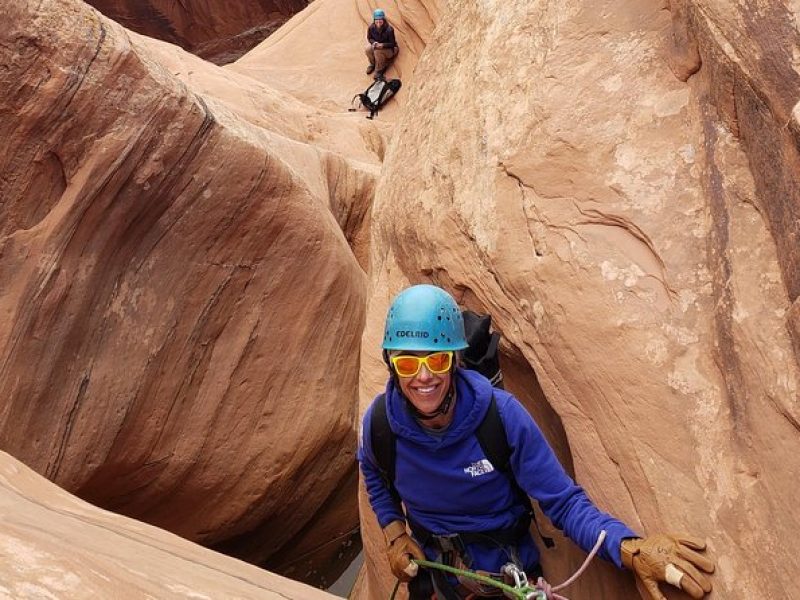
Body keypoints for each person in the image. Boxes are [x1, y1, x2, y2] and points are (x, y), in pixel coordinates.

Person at [358, 284, 716, 600]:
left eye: (436, 360)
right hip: (435, 577)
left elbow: (563, 502)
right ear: (391, 365)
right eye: (407, 364)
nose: (423, 377)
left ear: (454, 361)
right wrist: (394, 533)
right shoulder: (380, 425)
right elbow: (373, 473)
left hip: (504, 577)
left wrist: (629, 548)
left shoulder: (501, 418)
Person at [365, 8, 398, 79]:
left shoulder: (389, 29)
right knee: (368, 49)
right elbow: (369, 38)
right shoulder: (371, 28)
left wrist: (382, 45)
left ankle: (379, 70)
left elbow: (392, 44)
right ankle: (373, 64)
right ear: (374, 20)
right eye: (377, 21)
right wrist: (374, 43)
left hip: (390, 49)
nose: (378, 23)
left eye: (380, 21)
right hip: (377, 46)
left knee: (377, 52)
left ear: (383, 20)